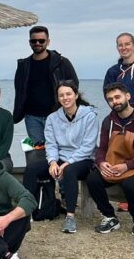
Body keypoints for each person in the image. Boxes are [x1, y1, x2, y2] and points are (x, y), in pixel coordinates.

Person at [86, 82, 134, 238]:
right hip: (118, 164)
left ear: (127, 96)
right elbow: (102, 148)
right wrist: (101, 163)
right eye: (110, 99)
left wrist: (128, 166)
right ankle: (110, 217)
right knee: (93, 179)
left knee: (130, 184)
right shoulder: (108, 122)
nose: (114, 102)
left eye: (117, 97)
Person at [22, 81, 98, 235]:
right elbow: (51, 144)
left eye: (68, 94)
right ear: (58, 98)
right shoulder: (52, 118)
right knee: (32, 168)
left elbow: (88, 146)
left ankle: (70, 217)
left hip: (84, 159)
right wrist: (52, 162)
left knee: (69, 171)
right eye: (61, 95)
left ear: (76, 95)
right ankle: (26, 211)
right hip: (60, 157)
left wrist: (67, 163)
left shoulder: (89, 116)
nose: (65, 98)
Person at [13, 25, 78, 143]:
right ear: (29, 42)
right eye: (34, 41)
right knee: (38, 151)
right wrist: (18, 112)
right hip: (32, 117)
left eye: (41, 40)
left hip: (57, 115)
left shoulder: (61, 62)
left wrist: (69, 109)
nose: (37, 43)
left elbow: (74, 86)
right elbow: (19, 90)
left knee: (61, 148)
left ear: (48, 42)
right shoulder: (24, 65)